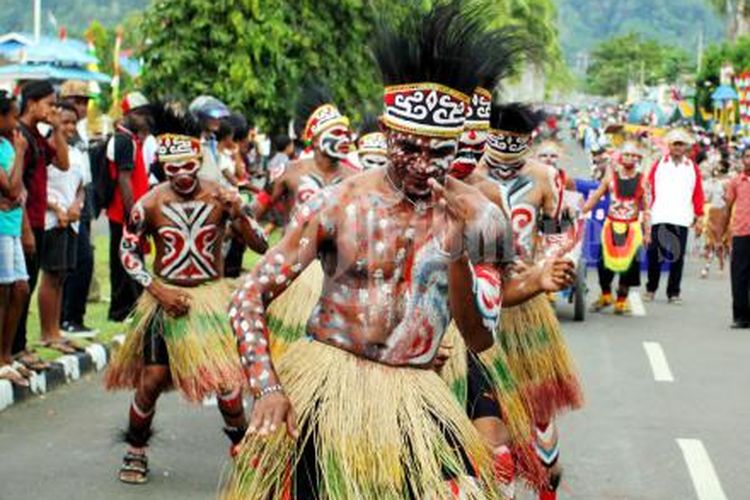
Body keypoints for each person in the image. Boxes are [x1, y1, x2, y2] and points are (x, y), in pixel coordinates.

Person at [224, 4, 540, 497]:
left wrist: (457, 251)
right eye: (407, 148)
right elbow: (247, 296)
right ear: (387, 133)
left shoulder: (482, 218)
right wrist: (267, 388)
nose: (420, 164)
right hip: (329, 391)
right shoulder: (338, 205)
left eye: (437, 152)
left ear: (457, 145)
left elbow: (479, 338)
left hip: (416, 399)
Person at [104, 131, 268, 484]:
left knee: (227, 383)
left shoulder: (220, 195)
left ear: (199, 162)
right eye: (173, 167)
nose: (182, 173)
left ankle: (245, 451)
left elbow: (261, 244)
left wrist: (240, 212)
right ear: (162, 167)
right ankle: (136, 449)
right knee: (154, 379)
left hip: (211, 298)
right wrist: (156, 289)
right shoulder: (148, 204)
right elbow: (128, 252)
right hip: (165, 301)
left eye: (189, 165)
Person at [476, 103, 584, 500]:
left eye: (514, 144)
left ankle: (545, 485)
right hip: (478, 305)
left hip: (527, 304)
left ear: (528, 143)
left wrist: (548, 265)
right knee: (484, 405)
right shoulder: (467, 175)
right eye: (499, 141)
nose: (505, 152)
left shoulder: (543, 177)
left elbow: (559, 231)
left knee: (537, 405)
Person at [13, 80, 69, 372]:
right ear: (32, 102)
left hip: (38, 222)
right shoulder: (18, 134)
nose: (53, 109)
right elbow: (18, 186)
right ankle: (15, 347)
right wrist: (24, 229)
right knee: (20, 287)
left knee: (29, 284)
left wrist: (58, 128)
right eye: (49, 103)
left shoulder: (36, 134)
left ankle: (18, 345)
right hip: (25, 223)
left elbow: (62, 163)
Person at [250, 84, 357, 227]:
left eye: (346, 134)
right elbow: (254, 212)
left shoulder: (356, 177)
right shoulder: (287, 172)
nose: (344, 139)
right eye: (336, 133)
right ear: (315, 140)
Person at [37, 103, 85, 354]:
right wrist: (56, 209)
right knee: (50, 276)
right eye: (65, 121)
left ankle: (55, 330)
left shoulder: (77, 153)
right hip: (51, 221)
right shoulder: (47, 149)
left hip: (71, 221)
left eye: (73, 122)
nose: (70, 127)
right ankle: (47, 332)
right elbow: (35, 186)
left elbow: (81, 186)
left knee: (62, 276)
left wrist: (77, 205)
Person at [584, 142, 650, 315]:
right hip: (610, 227)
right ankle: (605, 295)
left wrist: (647, 232)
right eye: (626, 154)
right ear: (620, 157)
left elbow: (647, 208)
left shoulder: (643, 181)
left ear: (638, 158)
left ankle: (621, 300)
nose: (629, 158)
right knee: (603, 263)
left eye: (633, 155)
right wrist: (581, 212)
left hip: (632, 228)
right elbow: (596, 197)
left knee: (629, 267)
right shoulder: (610, 178)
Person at [106, 91, 152, 322]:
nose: (145, 118)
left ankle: (130, 308)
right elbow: (124, 179)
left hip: (128, 212)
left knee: (131, 260)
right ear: (130, 114)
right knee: (126, 262)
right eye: (141, 114)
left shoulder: (130, 139)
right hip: (123, 213)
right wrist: (132, 213)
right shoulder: (124, 141)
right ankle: (122, 310)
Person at [644, 129, 705, 304]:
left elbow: (697, 192)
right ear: (669, 146)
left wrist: (699, 215)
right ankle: (651, 288)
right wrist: (646, 212)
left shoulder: (691, 167)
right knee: (655, 255)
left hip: (681, 216)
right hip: (660, 214)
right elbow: (649, 189)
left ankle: (673, 292)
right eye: (675, 144)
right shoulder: (659, 164)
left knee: (677, 258)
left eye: (681, 144)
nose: (678, 147)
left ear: (685, 147)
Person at [60, 84, 97, 336]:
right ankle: (67, 319)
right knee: (77, 261)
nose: (82, 107)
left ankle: (75, 317)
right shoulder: (61, 130)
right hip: (66, 203)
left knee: (82, 259)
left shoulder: (80, 130)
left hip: (84, 196)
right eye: (77, 101)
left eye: (85, 102)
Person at [0, 91, 31, 386]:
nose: (15, 121)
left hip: (11, 223)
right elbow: (9, 187)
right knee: (4, 292)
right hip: (1, 225)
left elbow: (17, 190)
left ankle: (6, 355)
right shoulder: (11, 147)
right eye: (11, 115)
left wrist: (17, 193)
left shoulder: (6, 144)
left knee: (20, 289)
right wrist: (20, 153)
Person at [724, 147, 750, 328]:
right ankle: (740, 316)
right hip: (741, 232)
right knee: (739, 276)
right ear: (742, 160)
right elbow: (727, 207)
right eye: (747, 156)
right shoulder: (735, 181)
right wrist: (723, 231)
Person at [701, 164, 730, 279]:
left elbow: (728, 199)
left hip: (721, 214)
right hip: (712, 212)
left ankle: (713, 266)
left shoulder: (726, 183)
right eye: (715, 170)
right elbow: (708, 199)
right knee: (710, 241)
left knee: (717, 242)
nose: (716, 172)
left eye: (718, 170)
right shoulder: (713, 183)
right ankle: (713, 266)